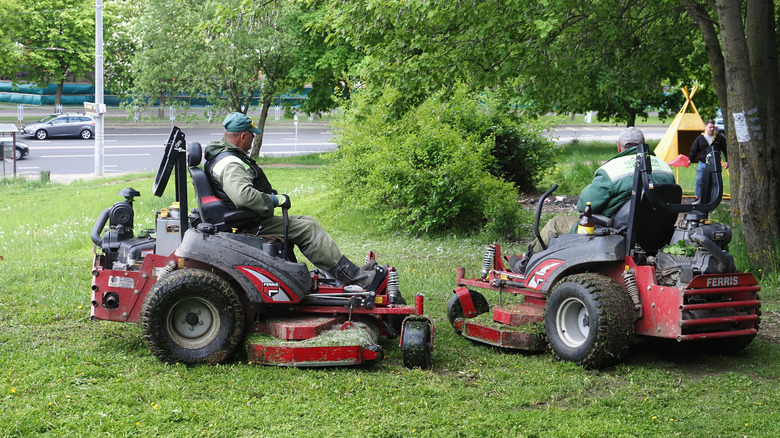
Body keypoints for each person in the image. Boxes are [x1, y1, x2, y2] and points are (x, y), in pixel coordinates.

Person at [203, 112, 376, 288]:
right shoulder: (230, 163)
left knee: (307, 221)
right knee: (308, 228)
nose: (254, 138)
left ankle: (345, 272)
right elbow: (244, 196)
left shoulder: (223, 155)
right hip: (248, 224)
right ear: (243, 135)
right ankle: (357, 279)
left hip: (246, 219)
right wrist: (276, 200)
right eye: (252, 134)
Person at [533, 127, 675, 252]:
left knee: (556, 223)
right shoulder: (665, 168)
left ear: (619, 147)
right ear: (644, 145)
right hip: (657, 233)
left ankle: (526, 264)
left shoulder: (611, 170)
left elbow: (584, 205)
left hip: (616, 234)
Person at [689, 119, 728, 203]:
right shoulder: (700, 138)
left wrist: (727, 161)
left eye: (713, 127)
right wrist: (689, 160)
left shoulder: (720, 138)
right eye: (710, 127)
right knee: (699, 181)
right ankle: (698, 198)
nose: (712, 129)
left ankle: (713, 199)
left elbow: (725, 150)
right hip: (702, 163)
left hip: (715, 164)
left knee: (715, 182)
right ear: (705, 127)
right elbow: (694, 150)